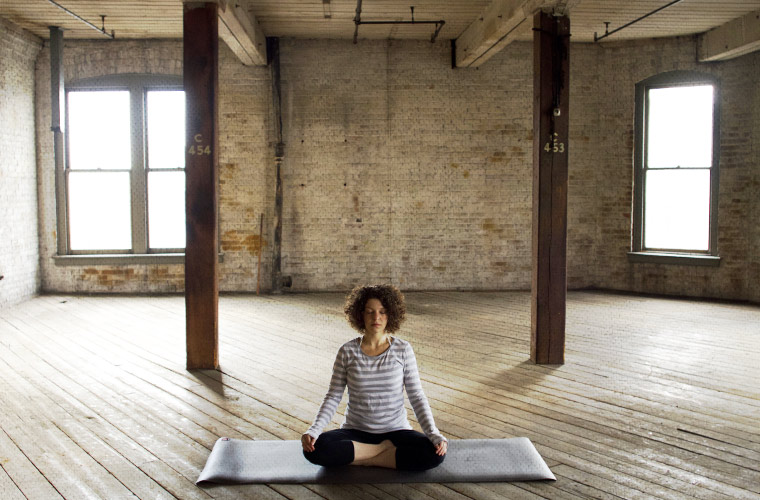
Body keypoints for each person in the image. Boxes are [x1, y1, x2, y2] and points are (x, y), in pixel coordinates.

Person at [301, 284, 447, 471]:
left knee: (434, 453)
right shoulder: (347, 351)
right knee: (314, 449)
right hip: (355, 432)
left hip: (397, 431)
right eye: (370, 312)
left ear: (391, 314)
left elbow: (417, 396)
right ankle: (382, 452)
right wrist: (314, 430)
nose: (376, 317)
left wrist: (434, 434)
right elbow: (333, 396)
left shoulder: (403, 350)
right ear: (360, 315)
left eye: (382, 312)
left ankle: (363, 458)